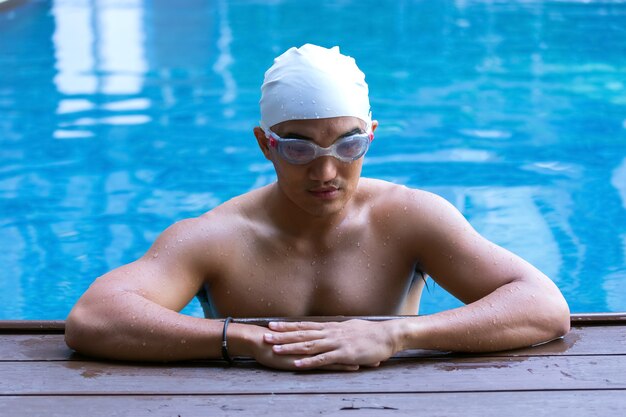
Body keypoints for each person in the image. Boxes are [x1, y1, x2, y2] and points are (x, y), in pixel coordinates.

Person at [65, 44, 570, 371]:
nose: (326, 172)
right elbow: (94, 318)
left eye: (347, 147)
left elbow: (544, 306)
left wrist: (396, 336)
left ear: (371, 138)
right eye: (299, 149)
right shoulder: (218, 236)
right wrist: (246, 342)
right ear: (266, 145)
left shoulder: (411, 218)